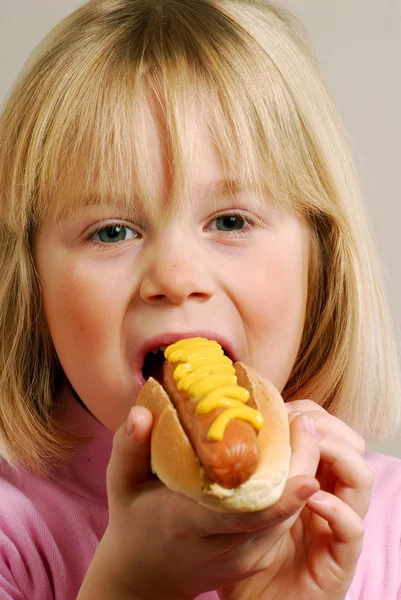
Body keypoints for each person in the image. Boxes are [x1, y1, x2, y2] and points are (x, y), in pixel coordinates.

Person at [0, 0, 400, 598]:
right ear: (30, 282)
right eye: (112, 231)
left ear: (322, 259)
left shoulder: (385, 528)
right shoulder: (13, 534)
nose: (178, 275)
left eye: (232, 220)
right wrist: (129, 588)